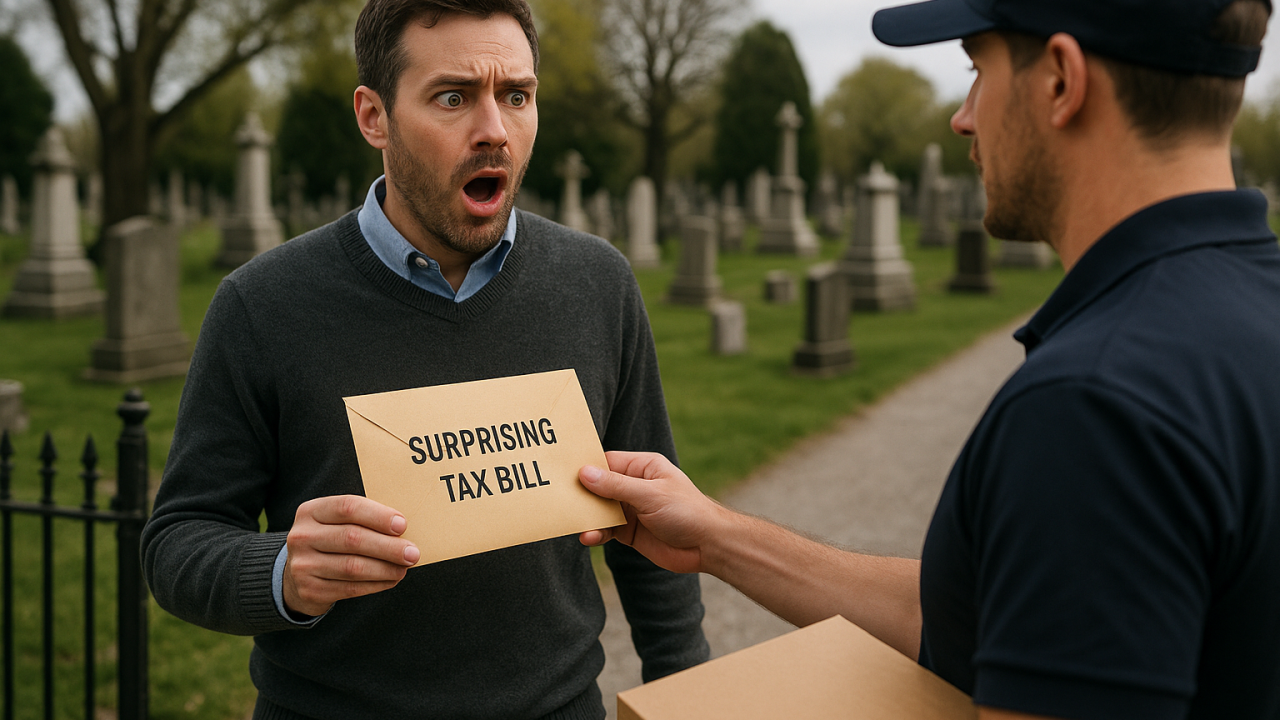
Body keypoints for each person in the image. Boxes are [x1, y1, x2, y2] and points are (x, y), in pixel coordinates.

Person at [576, 0, 1280, 718]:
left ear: (1061, 81)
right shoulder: (1247, 312)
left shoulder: (1093, 406)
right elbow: (990, 618)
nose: (963, 117)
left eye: (978, 70)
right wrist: (718, 537)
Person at [140, 1, 709, 718]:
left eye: (517, 96)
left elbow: (654, 527)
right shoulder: (263, 304)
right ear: (374, 116)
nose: (495, 130)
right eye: (453, 97)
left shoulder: (597, 284)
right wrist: (284, 570)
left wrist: (687, 690)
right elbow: (178, 541)